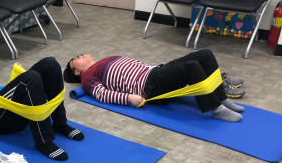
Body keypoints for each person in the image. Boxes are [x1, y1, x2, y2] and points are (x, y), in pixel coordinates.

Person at [63, 49, 246, 122]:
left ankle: (221, 97)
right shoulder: (88, 77)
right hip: (149, 86)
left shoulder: (103, 61)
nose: (79, 55)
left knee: (205, 55)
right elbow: (101, 94)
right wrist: (129, 98)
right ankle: (216, 108)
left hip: (155, 71)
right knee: (192, 67)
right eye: (75, 59)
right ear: (77, 72)